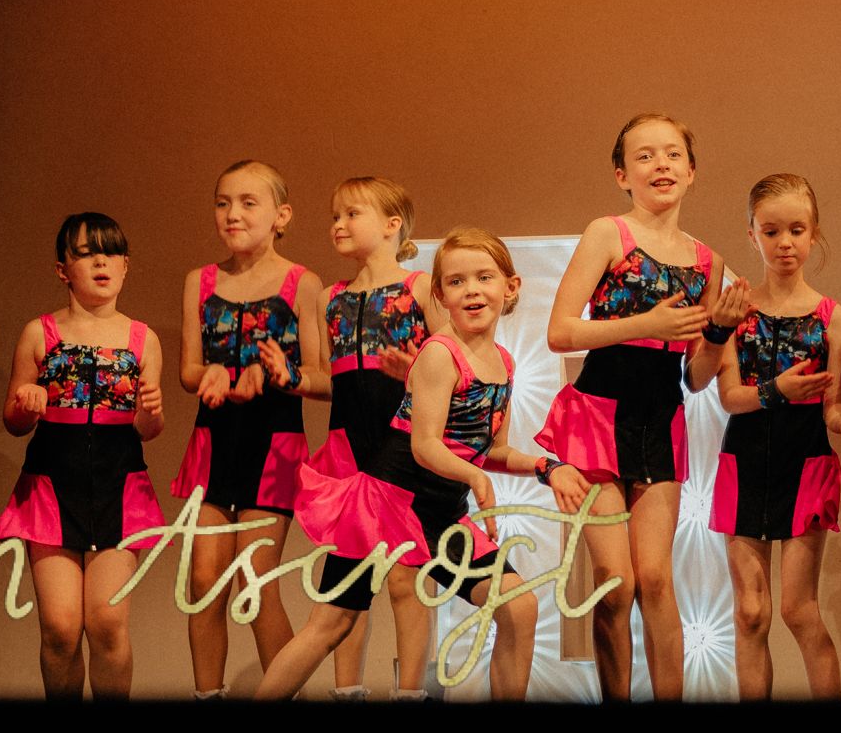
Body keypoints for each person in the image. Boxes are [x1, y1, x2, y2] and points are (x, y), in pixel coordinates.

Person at [257, 228, 588, 701]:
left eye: (484, 277)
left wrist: (546, 466)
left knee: (519, 606)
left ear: (510, 287)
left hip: (438, 514)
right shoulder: (439, 354)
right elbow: (424, 445)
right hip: (385, 505)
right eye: (456, 282)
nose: (472, 289)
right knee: (330, 625)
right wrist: (473, 476)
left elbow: (490, 449)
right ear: (439, 296)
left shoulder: (504, 364)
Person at [537, 113, 726, 701]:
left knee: (656, 580)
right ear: (622, 175)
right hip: (596, 414)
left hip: (659, 418)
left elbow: (695, 377)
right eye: (644, 156)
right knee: (614, 583)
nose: (660, 165)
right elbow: (561, 332)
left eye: (672, 154)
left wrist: (718, 334)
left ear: (692, 171)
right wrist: (645, 323)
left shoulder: (707, 262)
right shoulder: (607, 233)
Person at [710, 174, 841, 701]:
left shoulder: (833, 318)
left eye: (796, 230)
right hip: (744, 461)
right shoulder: (739, 312)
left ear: (813, 235)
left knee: (797, 609)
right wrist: (777, 389)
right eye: (772, 230)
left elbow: (833, 404)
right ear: (752, 234)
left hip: (806, 463)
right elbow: (730, 397)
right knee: (751, 611)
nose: (785, 242)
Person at [0, 212, 166, 700]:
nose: (99, 261)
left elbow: (149, 431)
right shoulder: (38, 333)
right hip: (51, 488)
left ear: (126, 266)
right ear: (62, 269)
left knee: (107, 623)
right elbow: (13, 420)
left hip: (118, 487)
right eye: (85, 253)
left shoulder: (141, 338)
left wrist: (150, 410)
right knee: (61, 629)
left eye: (109, 252)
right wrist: (29, 402)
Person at [170, 160, 326, 699]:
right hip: (214, 442)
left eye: (247, 202)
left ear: (282, 215)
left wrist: (281, 375)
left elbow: (322, 376)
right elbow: (189, 370)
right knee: (202, 584)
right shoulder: (200, 281)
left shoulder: (301, 283)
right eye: (222, 202)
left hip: (273, 443)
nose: (232, 213)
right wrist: (208, 374)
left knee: (254, 583)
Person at [307, 177, 441, 701]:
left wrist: (416, 371)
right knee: (347, 584)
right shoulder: (330, 297)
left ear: (392, 225)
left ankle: (411, 692)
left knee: (406, 577)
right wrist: (291, 378)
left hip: (402, 442)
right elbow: (325, 377)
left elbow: (449, 363)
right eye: (334, 215)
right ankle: (349, 692)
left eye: (351, 214)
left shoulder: (420, 287)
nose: (338, 224)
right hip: (347, 446)